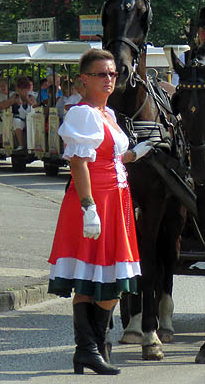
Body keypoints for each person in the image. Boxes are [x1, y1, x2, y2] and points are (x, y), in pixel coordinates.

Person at [47, 49, 155, 375]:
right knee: (108, 281)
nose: (109, 79)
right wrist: (88, 206)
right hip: (96, 202)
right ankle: (91, 348)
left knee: (95, 278)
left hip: (115, 201)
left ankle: (89, 349)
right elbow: (79, 162)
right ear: (84, 79)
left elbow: (109, 157)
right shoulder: (83, 113)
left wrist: (136, 153)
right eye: (101, 74)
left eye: (112, 74)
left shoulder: (107, 113)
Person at [11, 76, 37, 151]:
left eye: (25, 89)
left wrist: (27, 99)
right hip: (20, 119)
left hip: (30, 118)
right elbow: (4, 105)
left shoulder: (31, 97)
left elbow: (35, 107)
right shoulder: (15, 97)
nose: (23, 91)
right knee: (16, 121)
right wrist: (14, 101)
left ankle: (33, 144)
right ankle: (21, 144)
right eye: (21, 89)